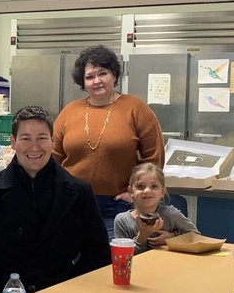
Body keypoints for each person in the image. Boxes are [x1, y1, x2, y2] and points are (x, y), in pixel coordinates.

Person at [0, 105, 108, 293]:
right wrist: (4, 289)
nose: (34, 147)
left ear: (53, 141)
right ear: (13, 142)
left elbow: (98, 254)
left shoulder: (79, 191)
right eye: (25, 138)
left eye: (42, 138)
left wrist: (72, 287)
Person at [52, 46, 164, 237]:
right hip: (72, 203)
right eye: (89, 76)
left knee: (113, 261)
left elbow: (153, 159)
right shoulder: (70, 111)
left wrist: (134, 193)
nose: (97, 81)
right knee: (72, 263)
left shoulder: (136, 109)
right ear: (82, 82)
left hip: (117, 206)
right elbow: (53, 156)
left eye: (102, 73)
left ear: (114, 75)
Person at [113, 163, 197, 253]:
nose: (147, 191)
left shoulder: (171, 214)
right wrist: (142, 235)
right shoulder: (122, 221)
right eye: (140, 186)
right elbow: (123, 257)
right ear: (131, 191)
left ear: (163, 191)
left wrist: (171, 237)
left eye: (154, 186)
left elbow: (195, 236)